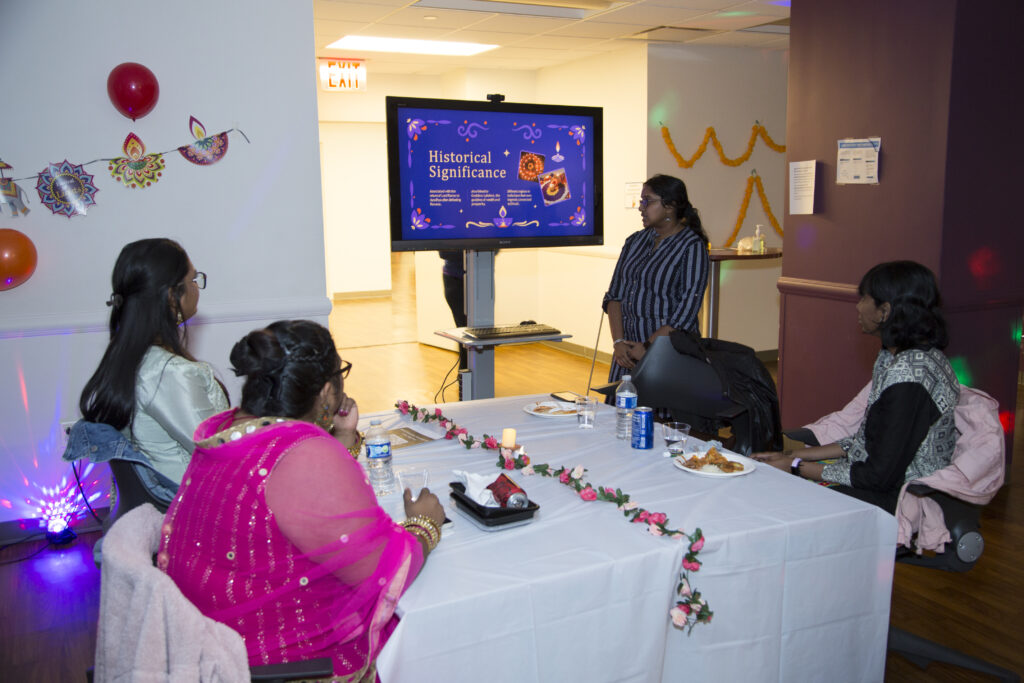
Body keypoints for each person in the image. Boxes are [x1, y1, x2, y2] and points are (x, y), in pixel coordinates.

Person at [159, 320, 446, 680]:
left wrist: (342, 438)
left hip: (205, 643)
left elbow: (296, 504)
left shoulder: (227, 432)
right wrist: (424, 525)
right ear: (326, 392)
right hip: (278, 663)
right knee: (430, 640)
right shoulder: (302, 455)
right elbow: (379, 572)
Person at [753, 261, 960, 513]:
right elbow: (869, 442)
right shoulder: (900, 356)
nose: (858, 307)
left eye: (864, 298)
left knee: (778, 496)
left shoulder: (910, 381)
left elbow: (878, 476)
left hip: (900, 495)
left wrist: (794, 467)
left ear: (885, 311)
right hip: (876, 478)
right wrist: (792, 456)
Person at [75, 238, 228, 488]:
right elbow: (216, 449)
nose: (196, 288)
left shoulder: (134, 358)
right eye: (193, 279)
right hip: (188, 500)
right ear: (171, 296)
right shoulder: (169, 373)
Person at [603, 174, 710, 389]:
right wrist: (618, 343)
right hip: (626, 353)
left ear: (670, 206)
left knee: (659, 409)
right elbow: (614, 295)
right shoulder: (635, 241)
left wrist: (647, 347)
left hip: (667, 352)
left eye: (647, 201)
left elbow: (686, 313)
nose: (641, 207)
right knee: (621, 407)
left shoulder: (692, 246)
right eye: (641, 201)